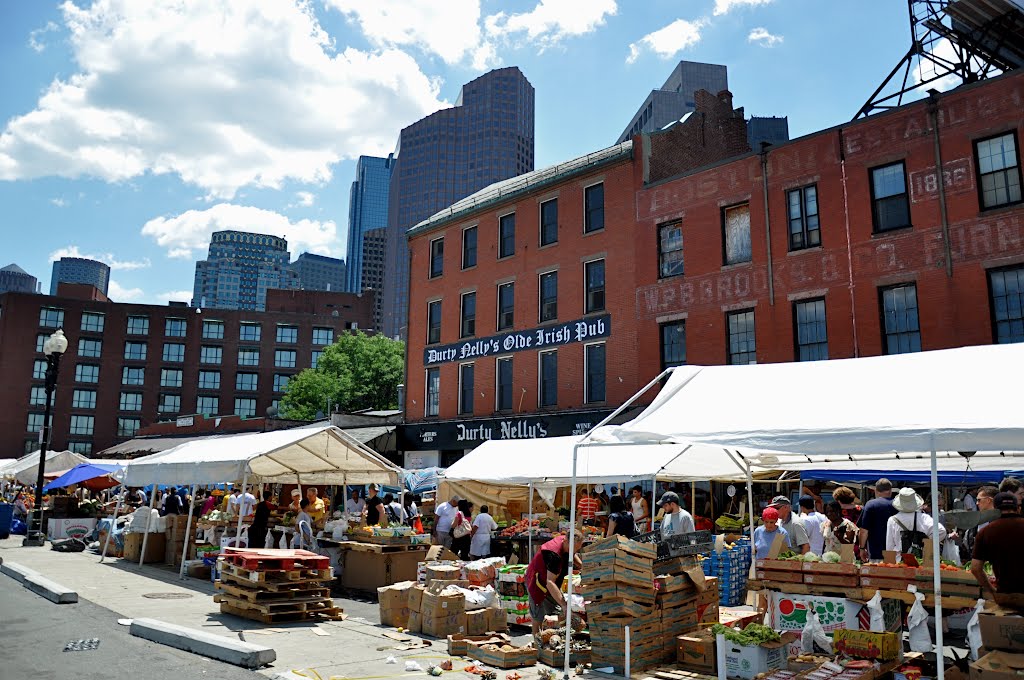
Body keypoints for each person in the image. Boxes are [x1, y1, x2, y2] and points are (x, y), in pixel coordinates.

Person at [525, 534, 583, 643]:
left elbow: (573, 553)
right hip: (537, 582)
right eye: (574, 548)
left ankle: (558, 641)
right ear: (566, 541)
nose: (575, 551)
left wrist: (581, 565)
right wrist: (564, 605)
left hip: (552, 581)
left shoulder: (566, 541)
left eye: (577, 548)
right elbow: (549, 582)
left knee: (559, 612)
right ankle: (537, 646)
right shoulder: (554, 554)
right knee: (538, 616)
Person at [971, 492, 1024, 597]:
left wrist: (992, 591)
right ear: (1018, 508)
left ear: (995, 510)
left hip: (1005, 595)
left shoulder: (985, 532)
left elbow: (975, 568)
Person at [885, 487, 946, 558]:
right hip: (921, 560)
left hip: (899, 560)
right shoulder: (924, 518)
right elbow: (942, 531)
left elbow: (889, 546)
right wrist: (927, 542)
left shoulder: (892, 520)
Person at [856, 478, 898, 561]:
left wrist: (862, 548)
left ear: (876, 490)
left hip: (876, 552)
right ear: (890, 490)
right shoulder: (898, 505)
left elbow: (864, 530)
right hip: (896, 553)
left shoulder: (871, 505)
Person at [964, 485, 999, 557]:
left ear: (989, 500)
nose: (977, 503)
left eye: (979, 500)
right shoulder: (976, 521)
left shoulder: (1002, 520)